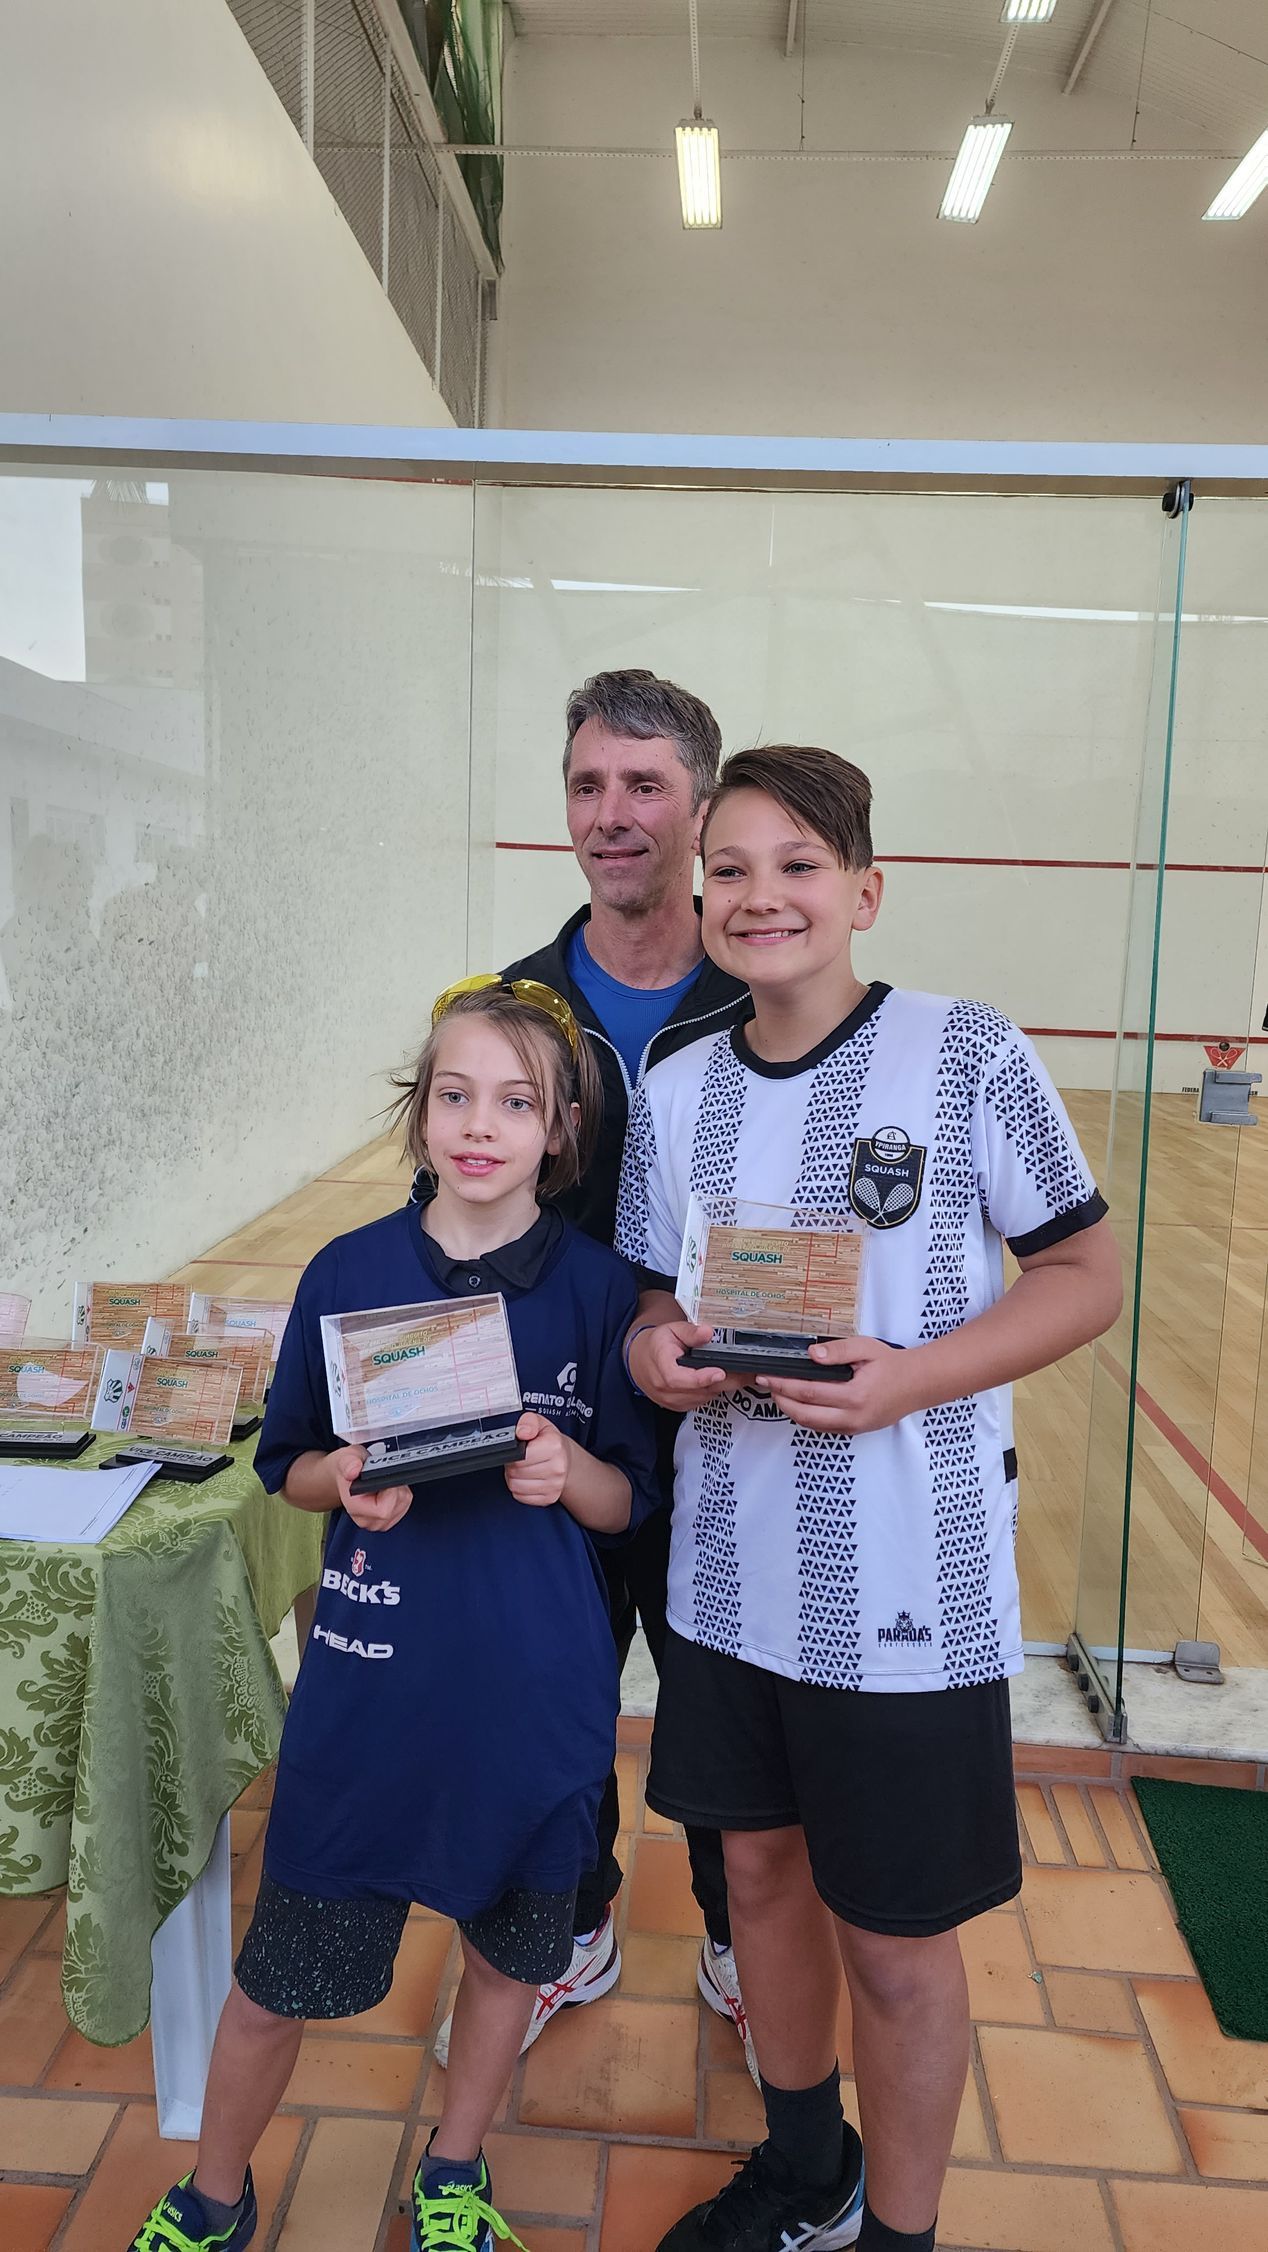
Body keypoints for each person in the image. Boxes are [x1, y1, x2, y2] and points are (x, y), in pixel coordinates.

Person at [618, 744, 1122, 2252]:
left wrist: (910, 1378)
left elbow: (1085, 1275)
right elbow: (656, 1300)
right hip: (725, 1578)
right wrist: (655, 1357)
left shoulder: (964, 1054)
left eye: (798, 865)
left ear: (865, 890)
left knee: (895, 1943)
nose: (760, 895)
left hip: (909, 1586)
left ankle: (900, 2234)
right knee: (759, 1880)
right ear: (699, 893)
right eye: (729, 868)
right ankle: (807, 2171)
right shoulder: (675, 1086)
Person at [127, 977, 658, 2252]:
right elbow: (290, 1465)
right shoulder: (348, 1270)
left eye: (515, 1102)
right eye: (454, 1093)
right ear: (419, 1111)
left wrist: (563, 1470)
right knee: (276, 1978)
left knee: (507, 1961)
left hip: (532, 1705)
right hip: (368, 1695)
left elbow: (627, 1497)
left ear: (561, 1130)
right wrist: (346, 1480)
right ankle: (214, 2195)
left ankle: (451, 2169)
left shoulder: (597, 1288)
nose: (480, 1124)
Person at [431, 668, 755, 2072]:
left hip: (738, 1431)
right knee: (555, 1692)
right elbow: (448, 1220)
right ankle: (575, 1920)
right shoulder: (509, 1008)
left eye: (643, 785)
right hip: (552, 1435)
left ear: (699, 805)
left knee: (731, 1697)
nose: (610, 813)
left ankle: (742, 1935)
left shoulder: (769, 994)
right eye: (585, 784)